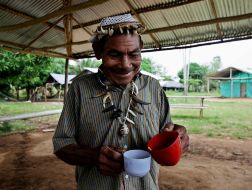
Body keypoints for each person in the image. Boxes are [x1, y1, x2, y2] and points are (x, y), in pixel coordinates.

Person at [52, 14, 189, 190]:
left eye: (133, 54)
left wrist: (178, 134)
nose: (125, 64)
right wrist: (94, 156)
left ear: (141, 49)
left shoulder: (153, 88)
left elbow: (166, 131)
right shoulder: (80, 88)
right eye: (114, 54)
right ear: (97, 51)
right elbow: (62, 144)